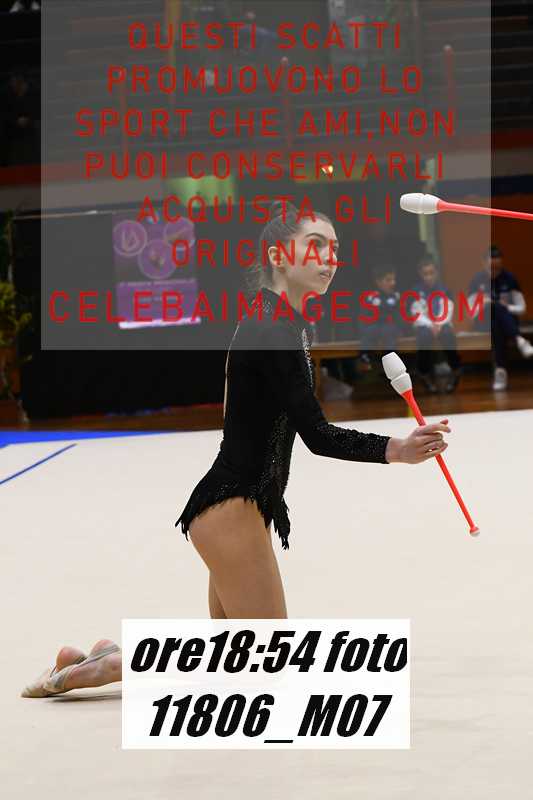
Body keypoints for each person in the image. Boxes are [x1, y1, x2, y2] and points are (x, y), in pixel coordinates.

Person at [21, 201, 451, 697]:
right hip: (233, 510)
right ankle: (98, 666)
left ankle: (104, 661)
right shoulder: (270, 330)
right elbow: (316, 435)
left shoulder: (282, 323)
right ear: (278, 255)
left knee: (232, 662)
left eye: (334, 249)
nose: (330, 258)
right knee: (272, 669)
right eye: (315, 245)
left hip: (241, 507)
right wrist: (397, 448)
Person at [468, 245, 533, 391]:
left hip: (503, 321)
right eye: (491, 268)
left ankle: (500, 373)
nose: (494, 271)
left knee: (496, 322)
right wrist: (483, 303)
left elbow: (521, 308)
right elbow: (471, 313)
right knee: (493, 308)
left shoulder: (509, 279)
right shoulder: (477, 280)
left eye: (497, 268)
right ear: (484, 263)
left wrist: (507, 307)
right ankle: (520, 340)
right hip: (482, 321)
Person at [409, 254, 462, 394]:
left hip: (442, 323)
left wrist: (438, 323)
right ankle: (424, 374)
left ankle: (455, 369)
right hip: (424, 325)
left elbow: (448, 308)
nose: (429, 277)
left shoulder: (444, 289)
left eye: (431, 273)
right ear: (420, 274)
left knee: (448, 334)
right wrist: (430, 324)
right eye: (425, 274)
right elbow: (416, 313)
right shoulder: (416, 291)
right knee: (424, 337)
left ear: (437, 272)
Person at [357, 263, 404, 371]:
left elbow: (401, 319)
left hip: (391, 330)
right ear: (378, 282)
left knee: (389, 330)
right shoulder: (371, 298)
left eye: (393, 279)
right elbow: (363, 319)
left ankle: (392, 365)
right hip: (375, 330)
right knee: (369, 331)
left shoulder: (396, 297)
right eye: (388, 280)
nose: (393, 283)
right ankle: (365, 360)